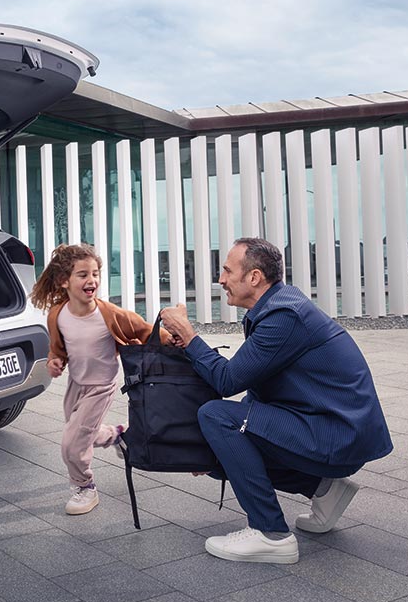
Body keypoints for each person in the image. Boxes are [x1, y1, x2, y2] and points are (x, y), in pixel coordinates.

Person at [160, 237, 392, 564]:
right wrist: (217, 447)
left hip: (338, 434)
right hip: (329, 426)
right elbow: (259, 386)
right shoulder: (274, 307)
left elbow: (227, 381)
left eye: (227, 271)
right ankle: (325, 488)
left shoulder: (284, 316)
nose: (221, 279)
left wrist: (189, 336)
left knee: (216, 416)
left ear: (254, 277)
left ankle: (270, 534)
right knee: (218, 450)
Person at [31, 243, 169, 516]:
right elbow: (58, 349)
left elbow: (145, 331)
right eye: (82, 274)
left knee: (72, 444)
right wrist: (55, 361)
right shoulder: (57, 315)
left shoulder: (109, 315)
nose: (91, 280)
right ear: (64, 281)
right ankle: (120, 436)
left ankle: (85, 488)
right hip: (76, 385)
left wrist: (174, 340)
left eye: (95, 274)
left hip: (102, 386)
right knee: (86, 434)